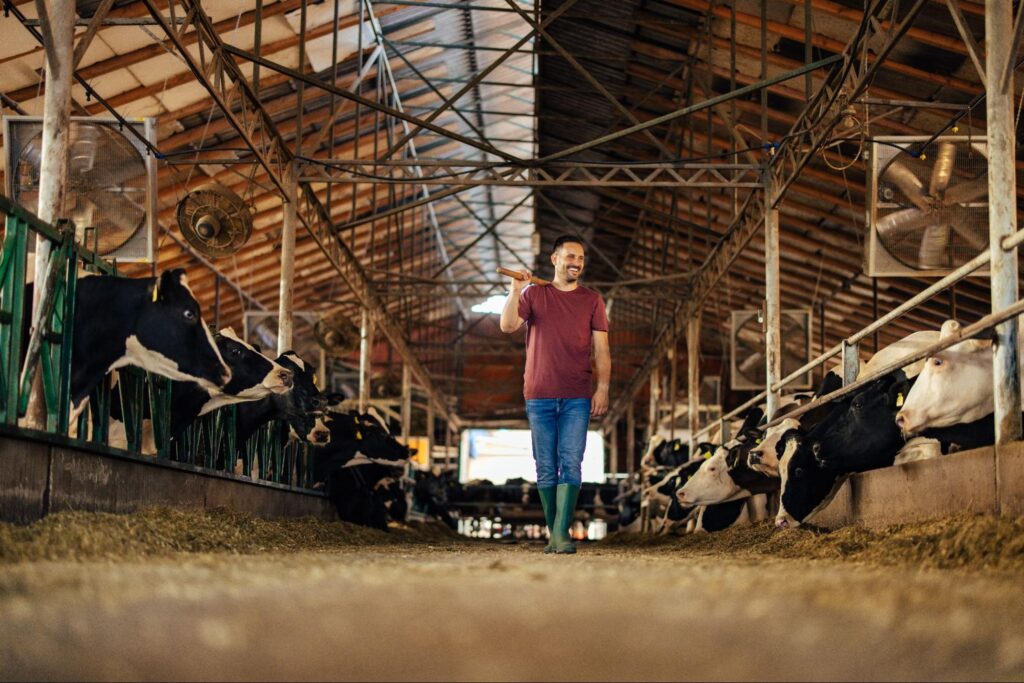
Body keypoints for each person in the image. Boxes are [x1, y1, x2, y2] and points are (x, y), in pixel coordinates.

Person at [499, 235, 611, 554]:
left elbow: (602, 350)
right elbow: (507, 326)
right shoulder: (534, 294)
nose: (576, 262)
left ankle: (560, 534)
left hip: (577, 392)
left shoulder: (592, 300)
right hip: (539, 392)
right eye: (570, 256)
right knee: (545, 465)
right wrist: (515, 289)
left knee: (571, 461)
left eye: (581, 258)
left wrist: (602, 388)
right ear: (555, 260)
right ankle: (556, 534)